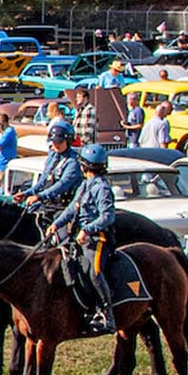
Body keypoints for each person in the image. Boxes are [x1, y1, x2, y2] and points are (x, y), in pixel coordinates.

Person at [52, 142, 117, 334]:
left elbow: (107, 216)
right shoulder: (85, 185)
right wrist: (56, 224)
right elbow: (72, 208)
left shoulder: (102, 188)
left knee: (94, 272)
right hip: (78, 236)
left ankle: (107, 314)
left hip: (97, 239)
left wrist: (87, 230)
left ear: (83, 166)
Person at [17, 120, 82, 212]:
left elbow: (62, 184)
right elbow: (43, 180)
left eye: (60, 142)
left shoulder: (73, 162)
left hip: (63, 207)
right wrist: (27, 193)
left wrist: (39, 196)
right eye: (54, 141)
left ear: (68, 141)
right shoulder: (52, 156)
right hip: (47, 203)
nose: (56, 145)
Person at [0, 112, 18, 190]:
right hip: (0, 163)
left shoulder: (9, 132)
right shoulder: (5, 132)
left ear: (2, 123)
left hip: (5, 164)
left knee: (2, 187)